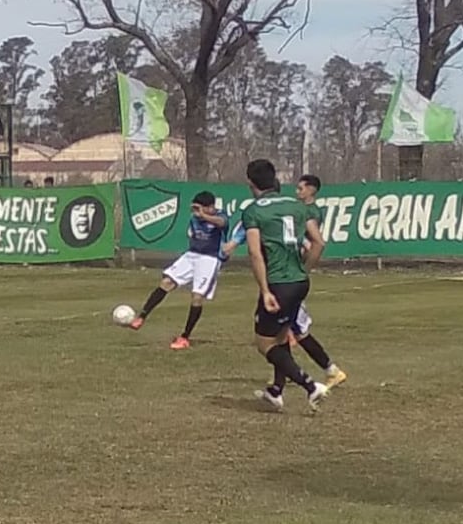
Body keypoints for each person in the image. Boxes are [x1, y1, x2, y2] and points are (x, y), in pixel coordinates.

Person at [220, 174, 348, 389]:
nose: (297, 192)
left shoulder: (306, 211)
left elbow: (310, 243)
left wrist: (303, 267)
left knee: (296, 330)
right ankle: (278, 387)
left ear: (311, 190)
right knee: (284, 333)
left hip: (286, 278)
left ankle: (329, 371)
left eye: (300, 188)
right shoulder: (296, 208)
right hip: (293, 278)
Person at [240, 159, 328, 412]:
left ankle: (311, 386)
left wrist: (266, 290)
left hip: (278, 284)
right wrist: (304, 269)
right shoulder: (297, 206)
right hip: (299, 282)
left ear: (250, 183)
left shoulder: (254, 211)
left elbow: (255, 254)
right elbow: (319, 243)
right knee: (280, 339)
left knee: (264, 344)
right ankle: (276, 391)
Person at [130, 191, 229, 349]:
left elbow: (221, 223)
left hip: (209, 259)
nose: (197, 212)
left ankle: (184, 337)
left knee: (197, 297)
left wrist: (204, 215)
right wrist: (198, 215)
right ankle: (141, 317)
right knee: (166, 282)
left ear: (211, 207)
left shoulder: (220, 216)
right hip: (191, 255)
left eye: (201, 208)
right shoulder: (193, 219)